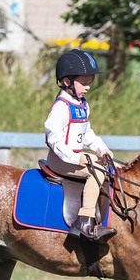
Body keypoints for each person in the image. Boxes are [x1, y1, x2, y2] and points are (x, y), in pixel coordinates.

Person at [45, 49, 116, 242]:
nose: (87, 88)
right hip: (60, 160)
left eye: (90, 83)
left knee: (112, 166)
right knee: (97, 170)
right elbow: (54, 139)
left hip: (76, 156)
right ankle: (84, 220)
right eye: (83, 83)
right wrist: (76, 158)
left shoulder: (82, 104)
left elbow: (87, 133)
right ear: (67, 81)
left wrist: (101, 149)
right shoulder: (61, 107)